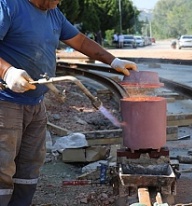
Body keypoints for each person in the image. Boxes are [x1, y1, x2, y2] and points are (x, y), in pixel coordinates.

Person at [0, 0, 138, 205]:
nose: (60, 1)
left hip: (36, 104)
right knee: (2, 167)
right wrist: (7, 72)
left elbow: (80, 42)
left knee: (30, 165)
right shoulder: (9, 6)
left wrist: (112, 60)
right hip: (6, 103)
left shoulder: (54, 13)